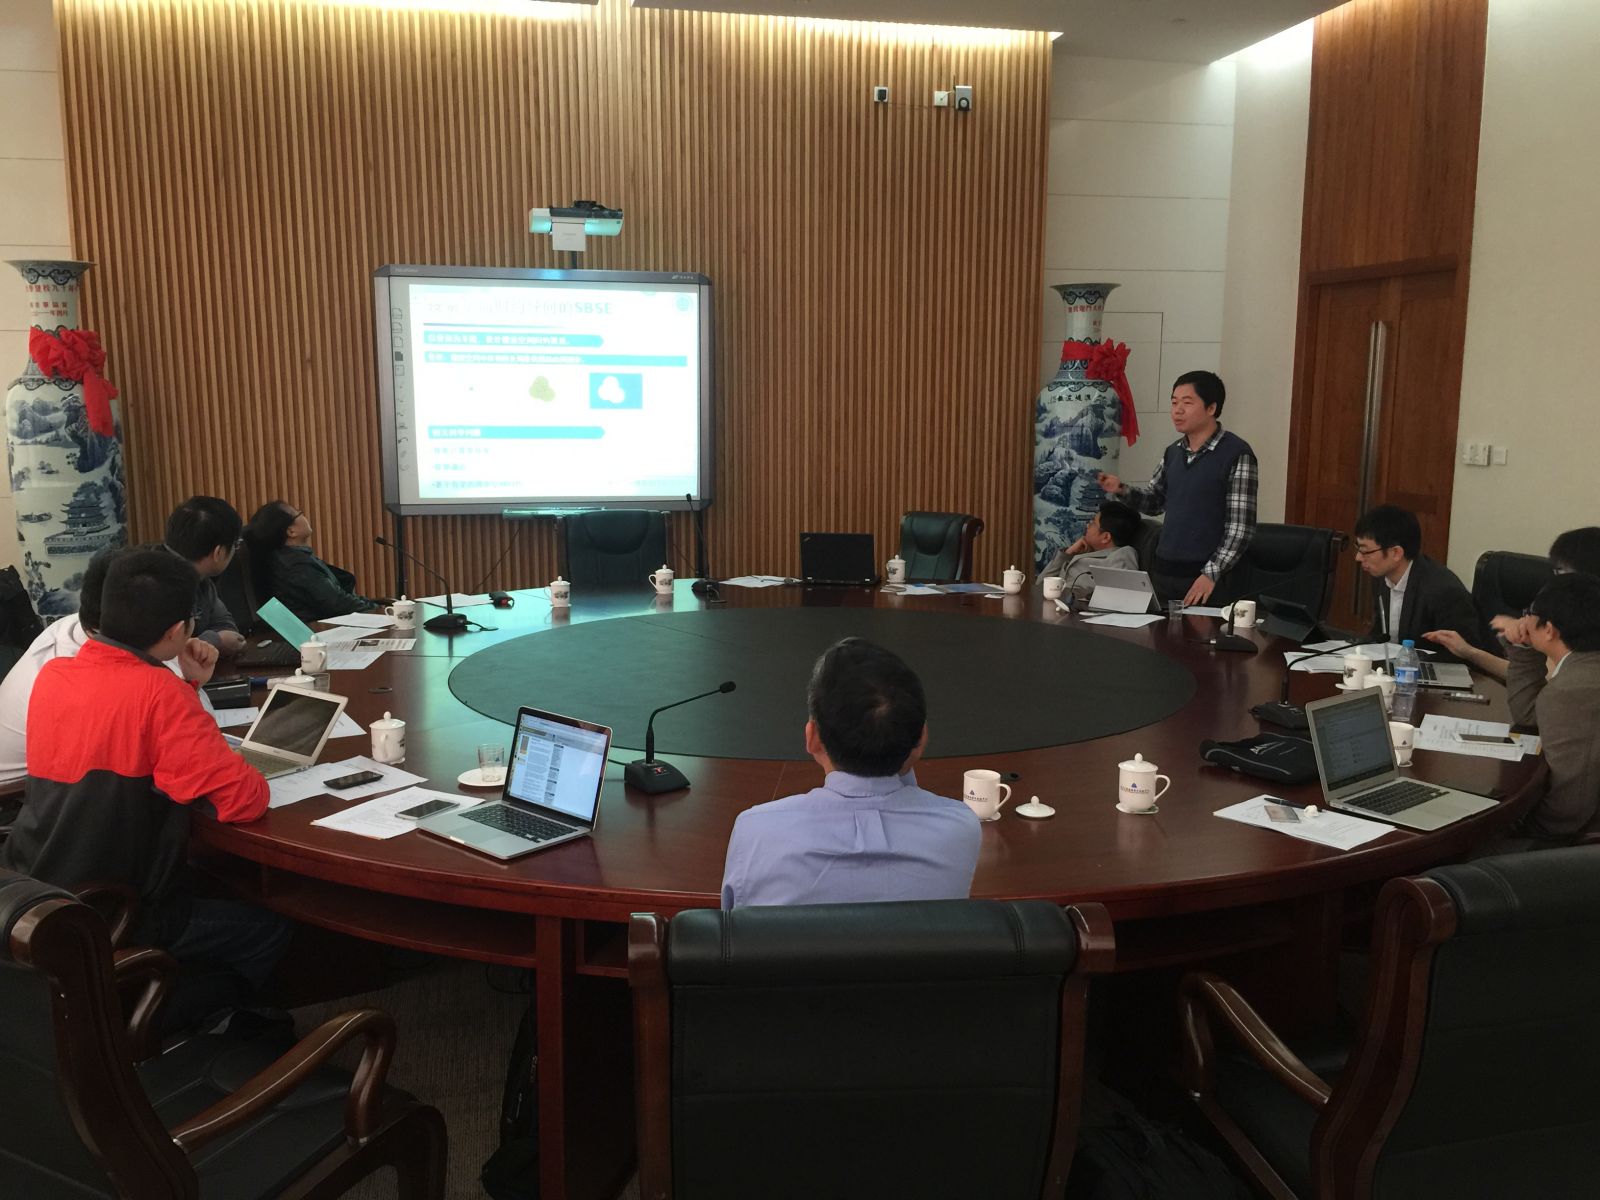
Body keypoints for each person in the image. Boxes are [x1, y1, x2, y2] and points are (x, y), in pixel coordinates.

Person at [1, 549, 289, 994]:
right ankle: (217, 1022)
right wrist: (184, 693)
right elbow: (244, 801)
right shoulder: (160, 694)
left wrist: (187, 685)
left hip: (30, 888)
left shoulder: (55, 674)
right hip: (115, 913)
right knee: (271, 929)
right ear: (177, 630)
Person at [720, 637, 980, 908]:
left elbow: (733, 926)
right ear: (922, 738)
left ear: (812, 738)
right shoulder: (960, 827)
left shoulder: (758, 832)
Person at [0, 545, 217, 789]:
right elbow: (195, 757)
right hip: (19, 797)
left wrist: (191, 681)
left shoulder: (83, 630)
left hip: (67, 790)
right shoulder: (76, 675)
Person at [1097, 370, 1257, 607]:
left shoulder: (1236, 454)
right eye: (1174, 403)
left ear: (1211, 408)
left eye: (1187, 403)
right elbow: (1155, 502)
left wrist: (1211, 574)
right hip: (1164, 571)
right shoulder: (1173, 452)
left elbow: (1240, 527)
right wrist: (1121, 489)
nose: (1177, 410)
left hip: (1205, 578)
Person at [1497, 574, 1600, 846]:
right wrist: (1523, 647)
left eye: (1529, 613)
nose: (1523, 620)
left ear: (1550, 629)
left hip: (1582, 845)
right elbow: (1531, 714)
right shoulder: (1585, 669)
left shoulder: (1574, 689)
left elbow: (1570, 805)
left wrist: (1517, 829)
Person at [1424, 526, 1600, 679]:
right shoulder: (1566, 614)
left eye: (1560, 572)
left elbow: (1550, 680)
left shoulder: (1584, 625)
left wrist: (1531, 635)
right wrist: (1470, 652)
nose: (1554, 580)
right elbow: (1534, 676)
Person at [1352, 505, 1488, 652]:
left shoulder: (1444, 591)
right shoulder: (1381, 577)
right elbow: (1380, 634)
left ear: (1396, 553)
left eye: (1365, 551)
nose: (1358, 557)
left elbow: (1464, 655)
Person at [244, 499, 386, 621]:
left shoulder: (292, 558)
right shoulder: (296, 566)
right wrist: (380, 611)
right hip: (321, 630)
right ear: (291, 531)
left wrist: (375, 607)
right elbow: (337, 603)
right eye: (299, 513)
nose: (304, 515)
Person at [164, 494, 246, 654]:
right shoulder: (152, 583)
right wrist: (215, 640)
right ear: (218, 553)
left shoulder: (202, 580)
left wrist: (213, 640)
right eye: (236, 545)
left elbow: (227, 627)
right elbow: (163, 653)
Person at [1037, 499, 1142, 595]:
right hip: (1054, 602)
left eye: (1093, 523)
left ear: (1106, 537)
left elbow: (1123, 595)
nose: (1088, 525)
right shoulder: (1085, 551)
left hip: (1075, 606)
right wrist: (1068, 553)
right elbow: (1040, 585)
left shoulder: (1123, 554)